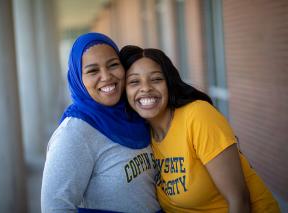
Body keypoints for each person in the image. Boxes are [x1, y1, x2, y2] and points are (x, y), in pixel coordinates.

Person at [120, 45, 280, 213]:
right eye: (134, 82)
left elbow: (239, 200)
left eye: (156, 79)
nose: (145, 88)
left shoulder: (197, 116)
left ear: (169, 83)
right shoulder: (144, 136)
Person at [41, 33, 161, 213]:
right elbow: (55, 207)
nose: (106, 76)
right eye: (92, 71)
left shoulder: (136, 115)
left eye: (113, 65)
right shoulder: (74, 133)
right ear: (78, 79)